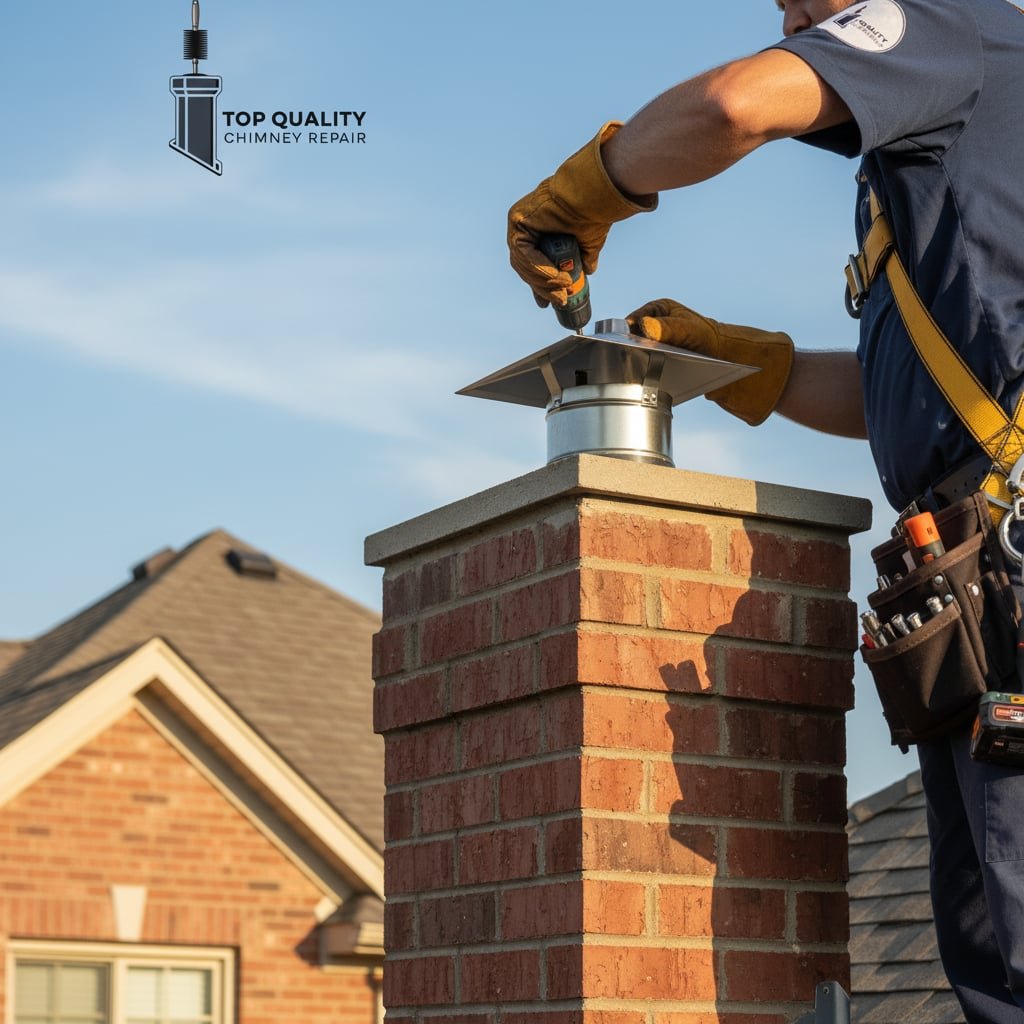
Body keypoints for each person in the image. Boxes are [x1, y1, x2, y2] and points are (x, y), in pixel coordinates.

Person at [506, 1, 1024, 1020]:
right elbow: (919, 408)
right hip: (973, 586)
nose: (788, 18)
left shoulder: (946, 25)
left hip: (1002, 570)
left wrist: (593, 187)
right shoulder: (925, 165)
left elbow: (736, 104)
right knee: (991, 962)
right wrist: (751, 365)